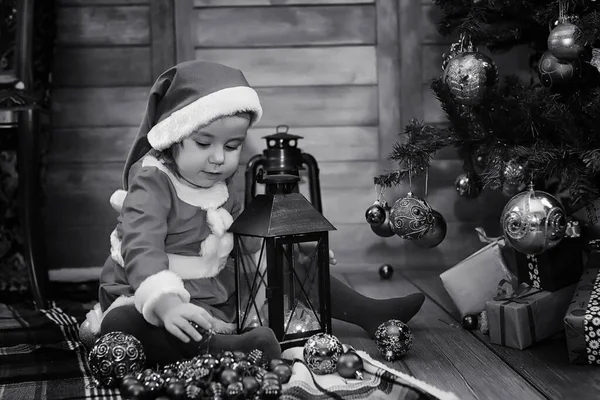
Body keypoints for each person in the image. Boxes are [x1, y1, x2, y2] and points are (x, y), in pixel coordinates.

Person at [90, 61, 425, 366]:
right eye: (204, 144)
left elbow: (246, 240)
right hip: (148, 286)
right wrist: (165, 304)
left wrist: (297, 250)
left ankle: (370, 313)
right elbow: (141, 247)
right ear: (173, 138)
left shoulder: (222, 182)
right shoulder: (153, 182)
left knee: (286, 266)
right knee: (124, 324)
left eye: (232, 146)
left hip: (211, 287)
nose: (219, 158)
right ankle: (221, 347)